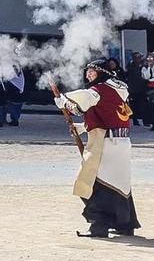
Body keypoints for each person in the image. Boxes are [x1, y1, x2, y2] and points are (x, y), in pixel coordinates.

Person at [53, 59, 140, 238]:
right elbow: (104, 115)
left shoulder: (97, 91)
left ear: (101, 72)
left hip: (107, 144)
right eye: (88, 71)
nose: (88, 75)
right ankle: (125, 224)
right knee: (119, 184)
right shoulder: (117, 89)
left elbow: (81, 104)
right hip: (120, 142)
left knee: (90, 182)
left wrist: (64, 102)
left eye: (92, 71)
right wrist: (83, 127)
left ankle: (99, 225)